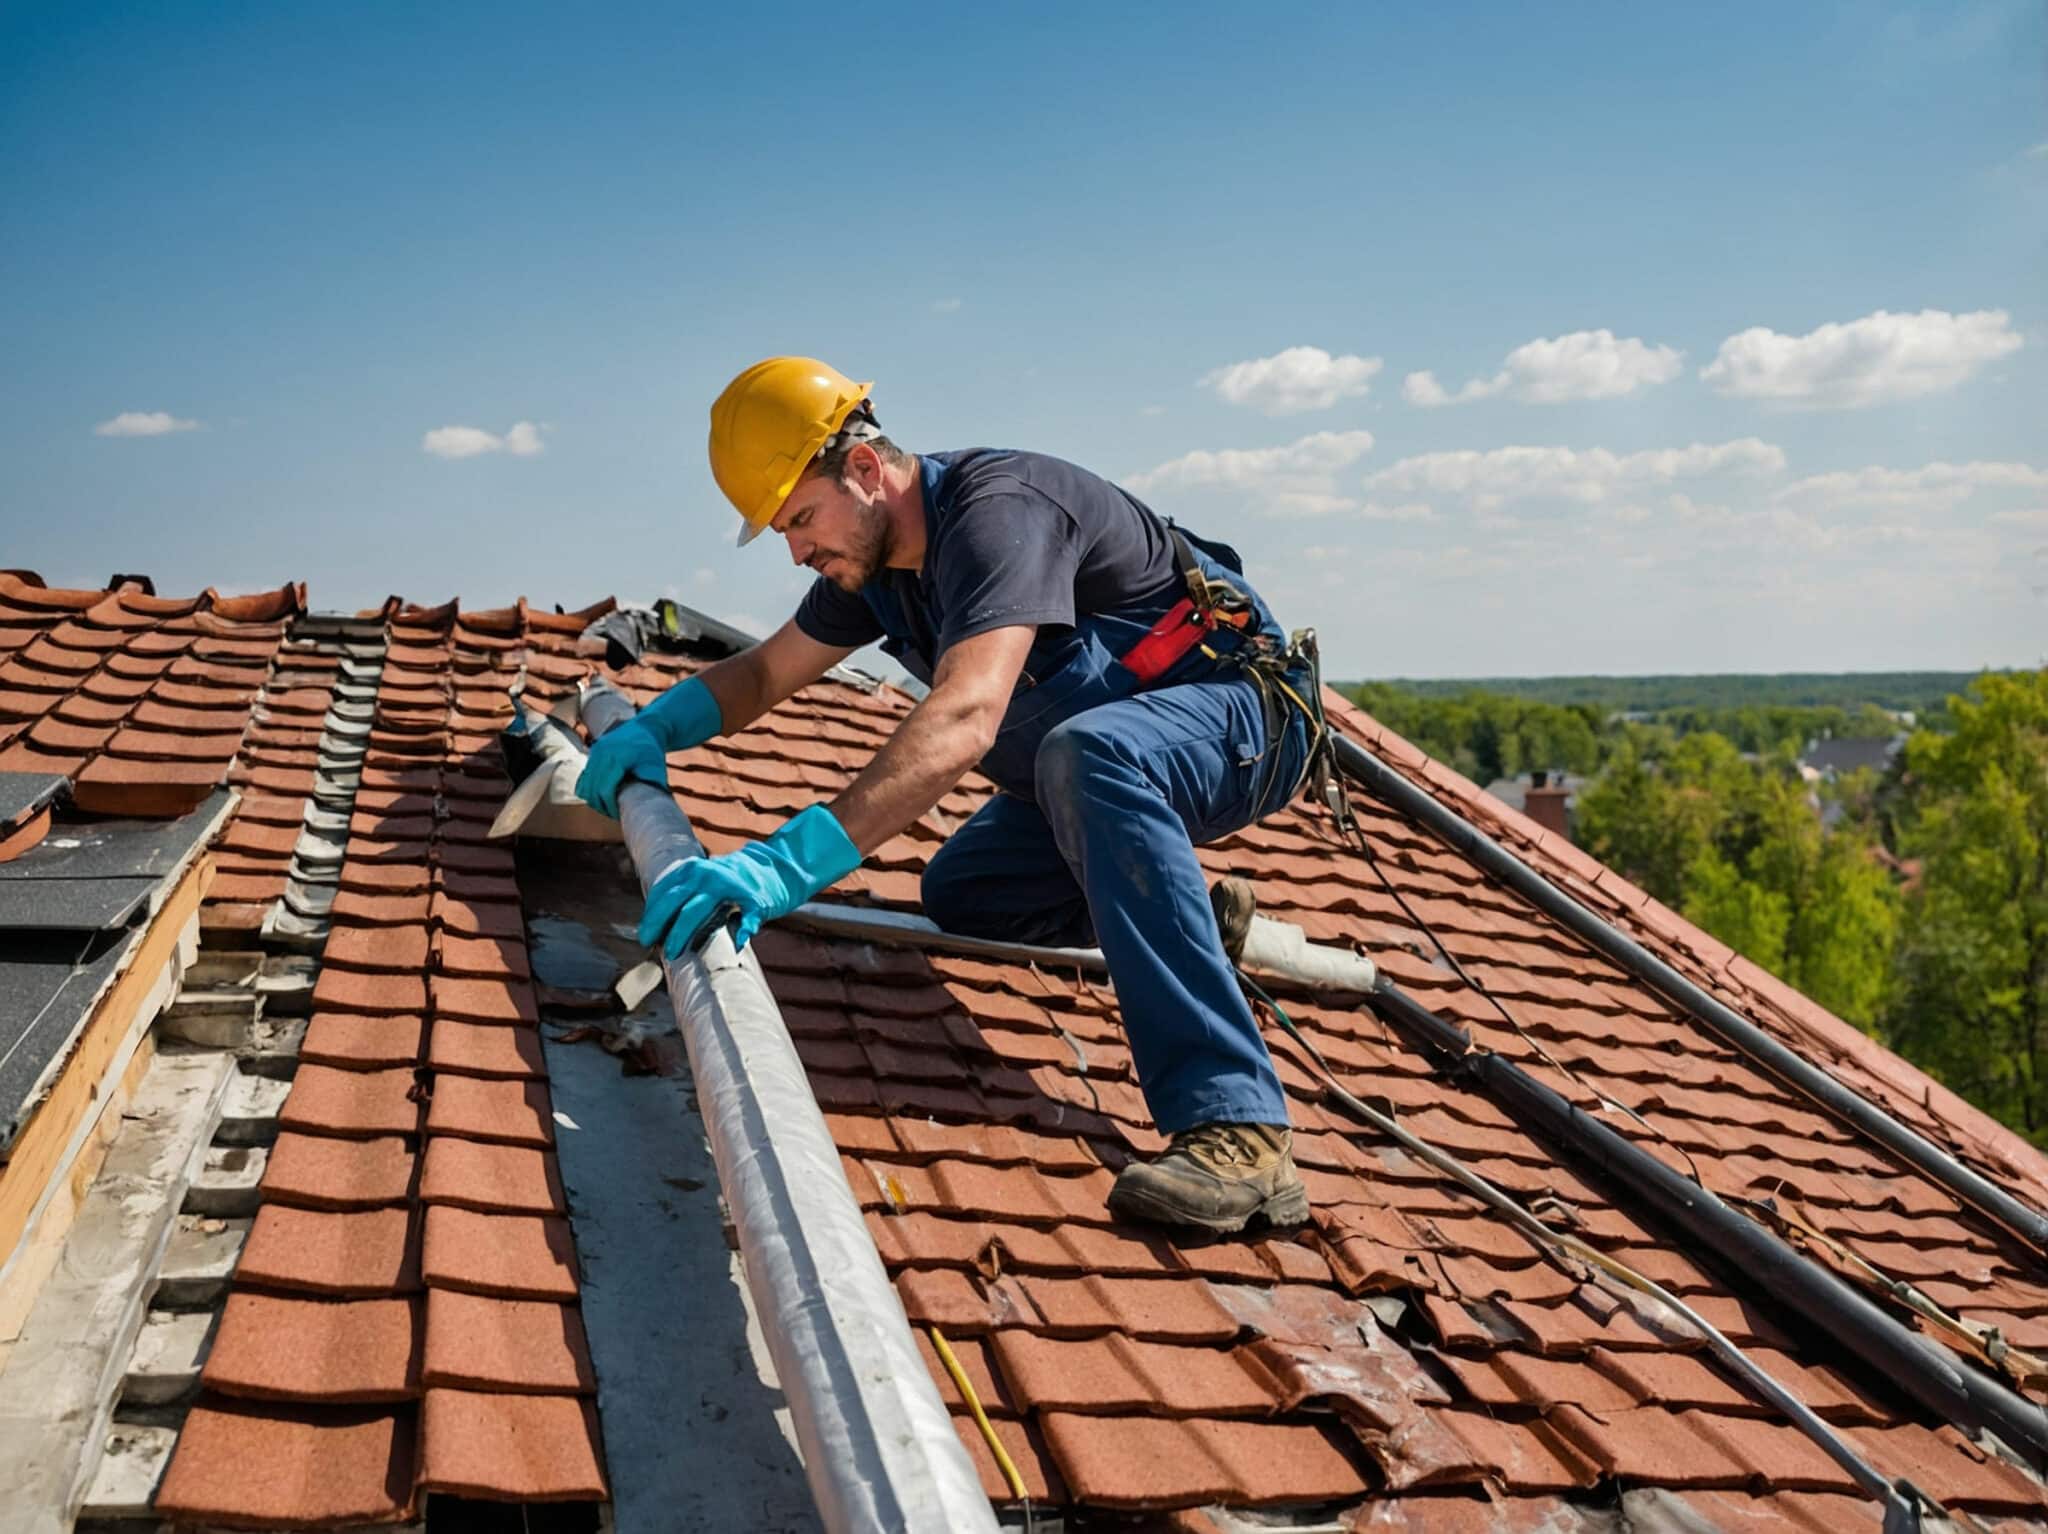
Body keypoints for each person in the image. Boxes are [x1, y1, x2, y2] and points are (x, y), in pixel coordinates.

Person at [578, 357, 1326, 1234]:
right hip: (1110, 764)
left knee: (1094, 752)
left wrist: (785, 866)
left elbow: (968, 715)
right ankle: (1188, 917)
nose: (797, 550)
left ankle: (1238, 1127)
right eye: (781, 531)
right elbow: (764, 672)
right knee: (967, 893)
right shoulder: (881, 569)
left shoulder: (999, 514)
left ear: (865, 471)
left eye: (802, 518)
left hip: (1248, 721)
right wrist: (654, 729)